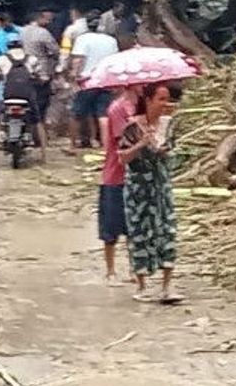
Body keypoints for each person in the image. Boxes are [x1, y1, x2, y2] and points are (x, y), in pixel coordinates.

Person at [118, 83, 183, 303]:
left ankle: (167, 285)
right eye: (161, 99)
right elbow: (122, 157)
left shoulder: (169, 125)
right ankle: (142, 285)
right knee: (140, 233)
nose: (165, 105)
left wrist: (163, 152)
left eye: (167, 100)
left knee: (167, 230)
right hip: (139, 188)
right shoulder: (132, 127)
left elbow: (174, 153)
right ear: (148, 100)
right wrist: (141, 145)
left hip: (161, 186)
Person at [98, 83, 140, 284]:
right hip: (115, 175)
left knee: (134, 225)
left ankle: (134, 268)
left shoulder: (141, 107)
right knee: (111, 228)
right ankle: (111, 270)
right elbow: (123, 140)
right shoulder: (117, 109)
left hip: (136, 176)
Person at [0, 38, 44, 163]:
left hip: (7, 97)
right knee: (38, 122)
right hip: (27, 98)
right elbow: (40, 77)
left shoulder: (0, 60)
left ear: (8, 47)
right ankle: (44, 156)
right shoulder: (32, 59)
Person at [69, 18, 119, 151]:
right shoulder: (111, 40)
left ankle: (72, 145)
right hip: (106, 80)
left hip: (87, 80)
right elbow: (114, 60)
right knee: (103, 114)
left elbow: (78, 59)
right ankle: (105, 145)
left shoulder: (83, 39)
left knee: (76, 113)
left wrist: (74, 75)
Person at [20, 9, 60, 128]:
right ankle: (38, 129)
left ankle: (25, 126)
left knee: (26, 101)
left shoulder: (21, 31)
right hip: (41, 73)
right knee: (41, 103)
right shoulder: (43, 33)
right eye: (46, 19)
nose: (49, 21)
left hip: (24, 71)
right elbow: (55, 51)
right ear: (39, 18)